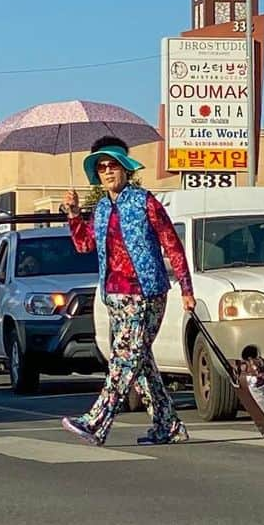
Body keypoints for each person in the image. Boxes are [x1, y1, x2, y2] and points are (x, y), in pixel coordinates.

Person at [61, 136, 195, 447]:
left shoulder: (145, 201)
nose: (108, 171)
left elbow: (172, 245)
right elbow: (84, 245)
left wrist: (187, 289)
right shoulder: (102, 208)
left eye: (113, 165)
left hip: (145, 293)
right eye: (102, 167)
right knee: (140, 362)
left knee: (123, 358)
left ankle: (96, 421)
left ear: (126, 168)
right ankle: (168, 426)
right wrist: (73, 214)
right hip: (114, 295)